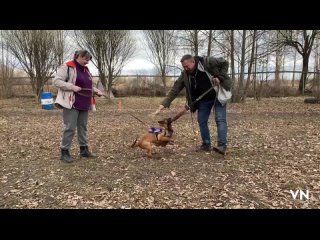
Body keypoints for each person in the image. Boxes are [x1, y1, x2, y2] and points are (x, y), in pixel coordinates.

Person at [154, 54, 232, 155]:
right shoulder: (185, 74)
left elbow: (225, 62)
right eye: (184, 67)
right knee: (201, 120)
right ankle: (206, 144)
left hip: (218, 93)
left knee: (220, 119)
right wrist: (164, 104)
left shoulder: (207, 62)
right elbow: (175, 89)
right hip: (203, 99)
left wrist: (220, 77)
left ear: (193, 62)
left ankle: (222, 146)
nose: (186, 69)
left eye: (187, 66)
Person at [53, 50, 103, 163]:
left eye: (89, 60)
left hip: (85, 103)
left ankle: (84, 150)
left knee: (83, 127)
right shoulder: (68, 66)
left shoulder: (86, 70)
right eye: (85, 59)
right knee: (70, 128)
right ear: (78, 56)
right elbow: (56, 81)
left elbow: (87, 85)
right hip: (71, 103)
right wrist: (72, 86)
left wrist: (95, 90)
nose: (87, 62)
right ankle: (64, 152)